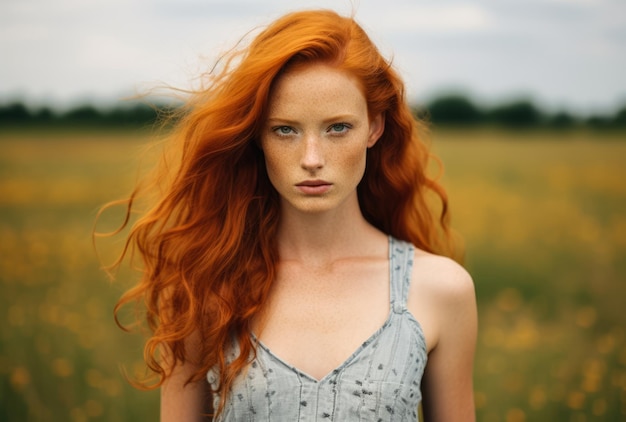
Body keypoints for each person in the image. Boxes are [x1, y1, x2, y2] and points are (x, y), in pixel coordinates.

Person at [106, 8, 477, 422]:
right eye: (285, 129)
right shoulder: (204, 287)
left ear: (374, 127)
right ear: (257, 135)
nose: (312, 159)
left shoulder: (440, 291)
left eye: (338, 128)